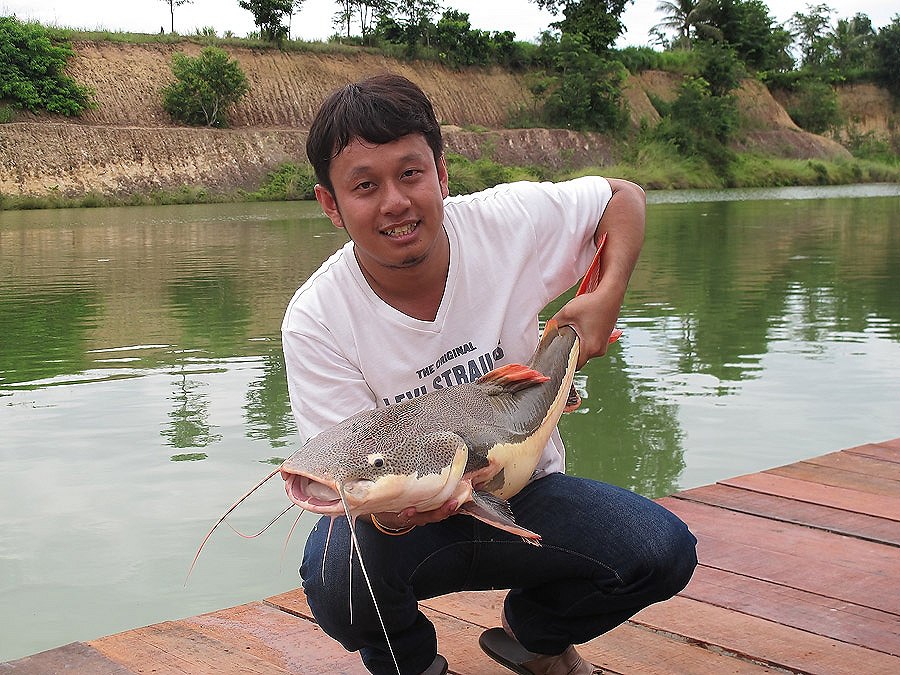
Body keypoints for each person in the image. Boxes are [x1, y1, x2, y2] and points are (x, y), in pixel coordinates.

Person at [281, 73, 697, 675]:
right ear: (331, 205)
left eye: (410, 173)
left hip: (529, 495)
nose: (395, 201)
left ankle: (534, 640)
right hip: (407, 526)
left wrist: (603, 300)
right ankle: (414, 667)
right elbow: (354, 470)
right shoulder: (316, 319)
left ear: (441, 176)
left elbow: (622, 198)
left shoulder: (505, 220)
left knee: (661, 551)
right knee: (335, 573)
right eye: (364, 186)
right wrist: (395, 512)